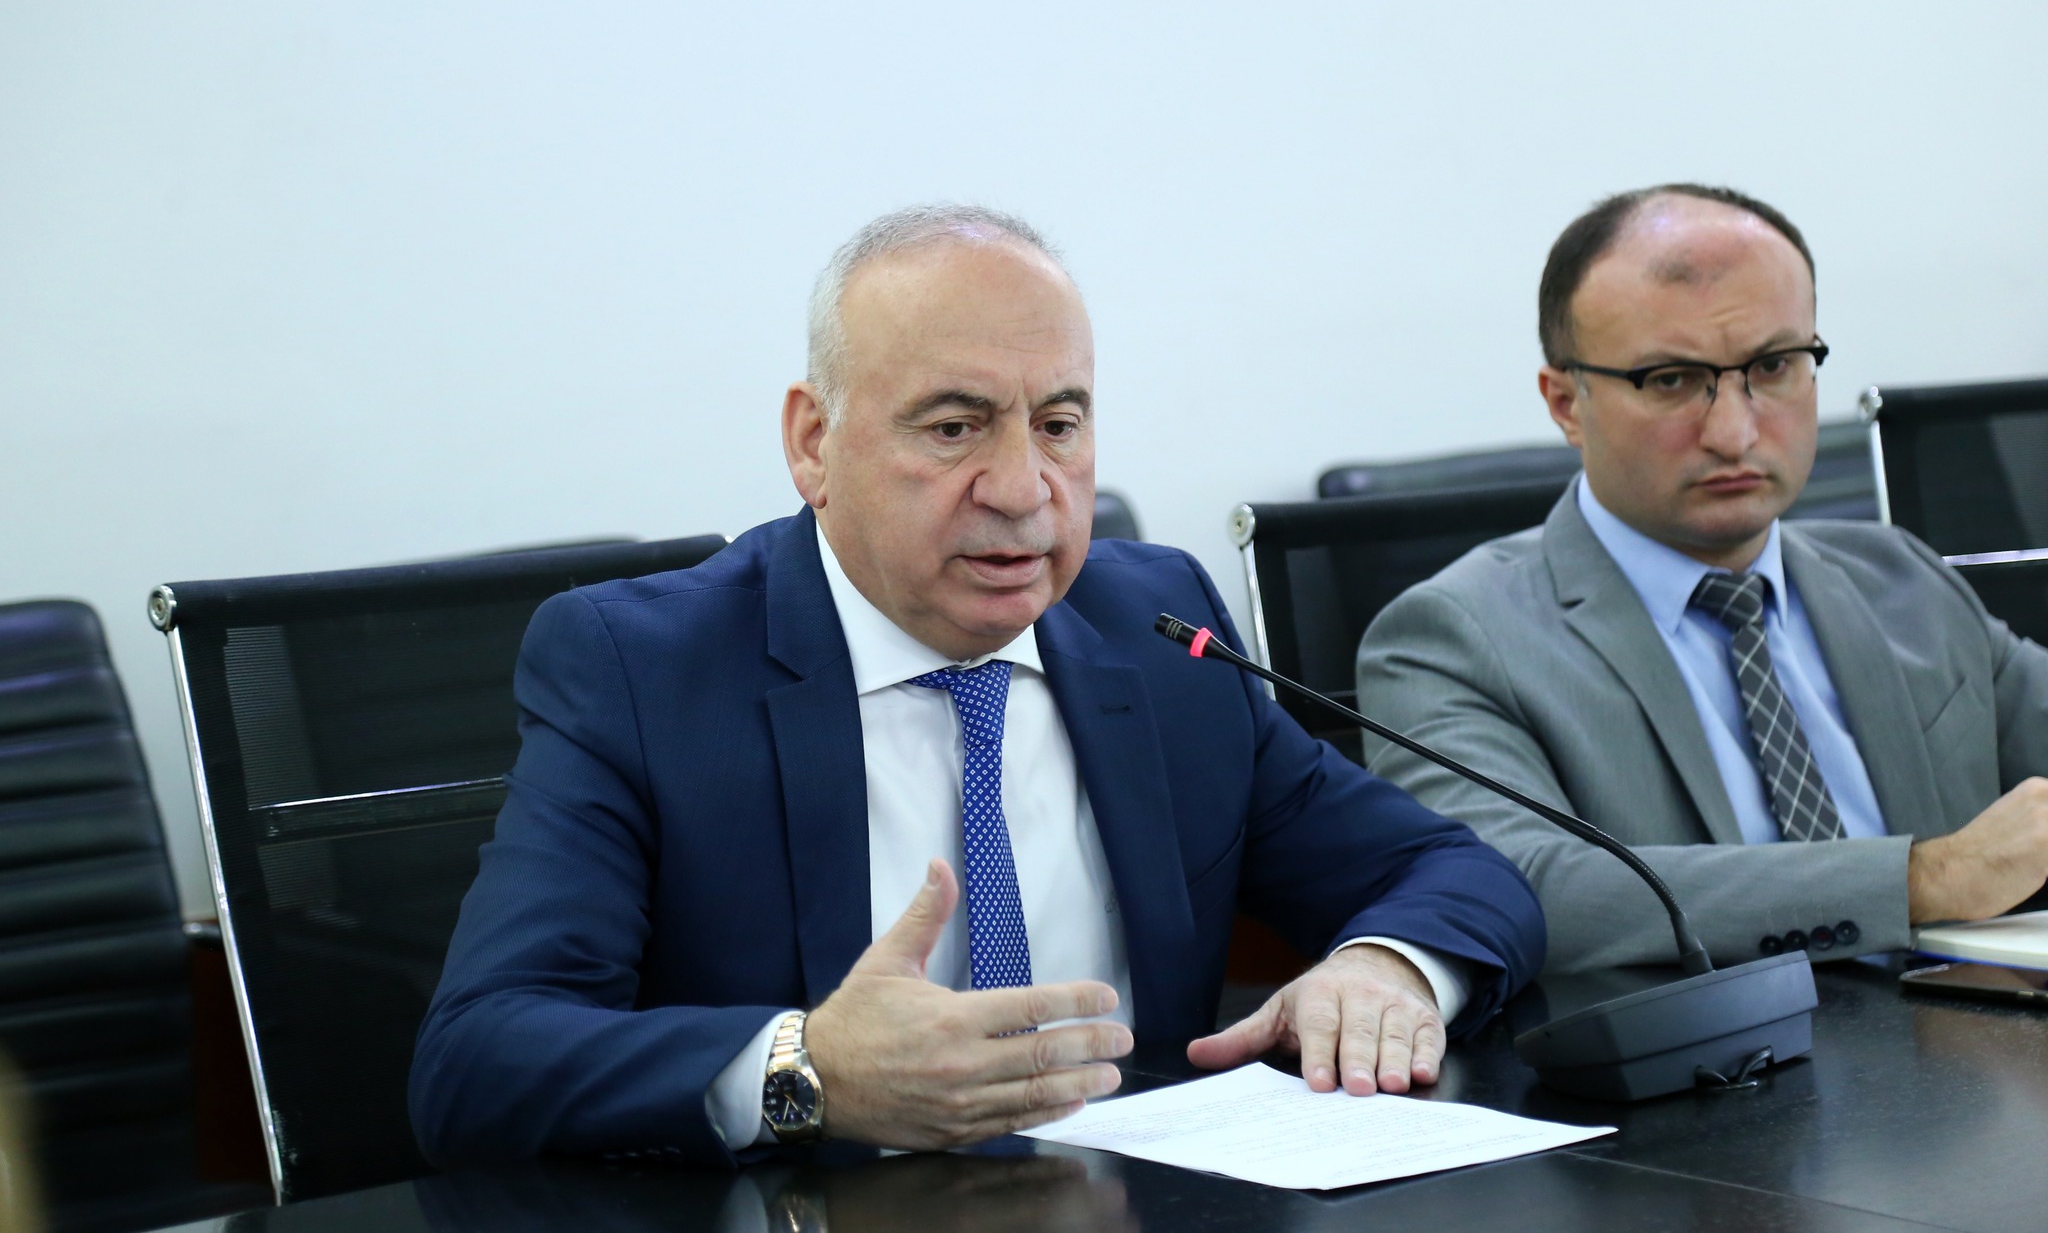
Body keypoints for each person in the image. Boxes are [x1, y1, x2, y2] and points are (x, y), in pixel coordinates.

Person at [411, 206, 1544, 1166]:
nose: (1022, 487)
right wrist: (806, 1068)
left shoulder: (1157, 633)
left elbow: (1448, 870)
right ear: (813, 442)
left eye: (1059, 424)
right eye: (954, 427)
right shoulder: (645, 667)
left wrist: (1386, 969)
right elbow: (478, 1056)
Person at [1357, 184, 2048, 973]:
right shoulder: (1447, 640)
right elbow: (1518, 891)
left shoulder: (1901, 576)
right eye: (1670, 380)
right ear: (1566, 403)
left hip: (1982, 1029)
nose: (1733, 431)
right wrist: (1923, 880)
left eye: (1773, 366)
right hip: (1721, 1049)